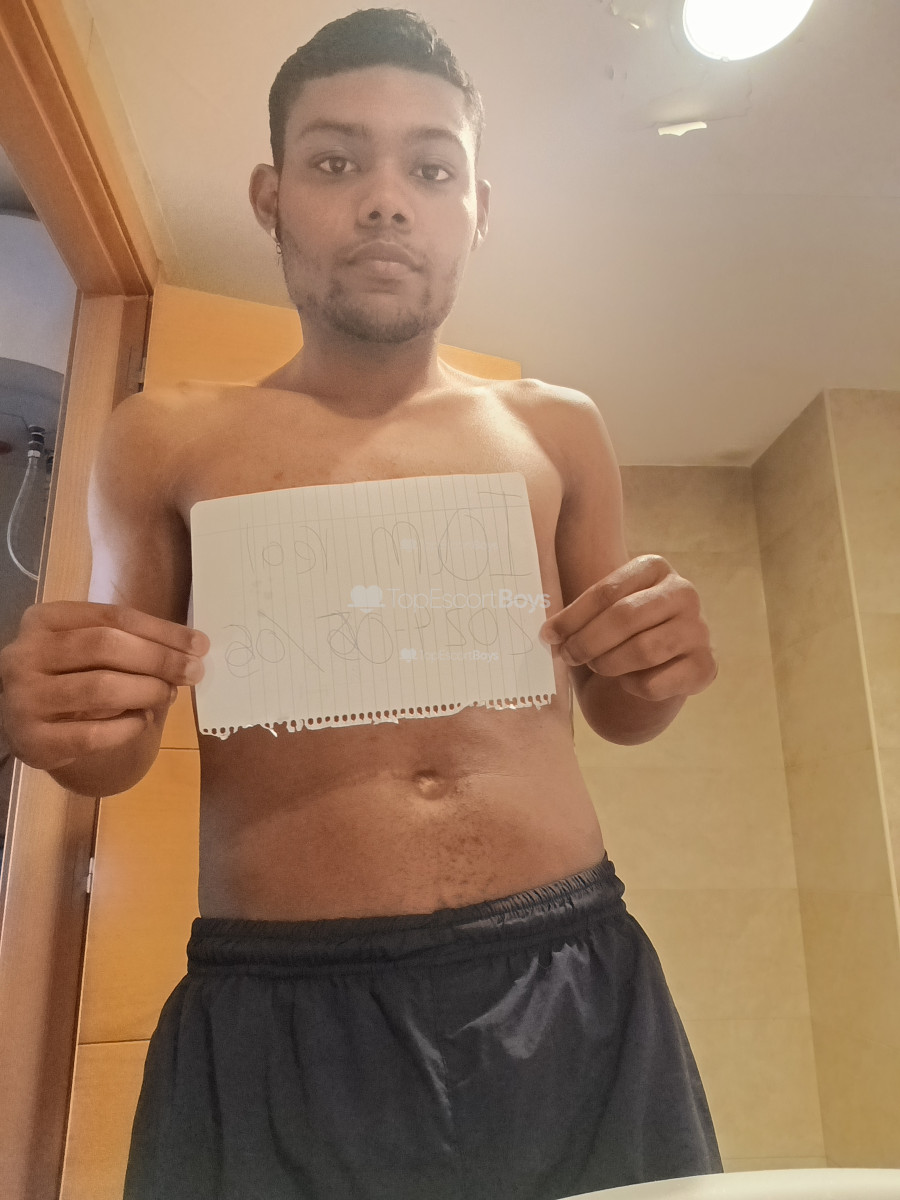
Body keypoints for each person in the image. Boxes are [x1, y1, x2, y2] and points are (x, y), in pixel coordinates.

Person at [0, 9, 723, 1198]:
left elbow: (619, 708)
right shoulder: (164, 438)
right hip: (278, 1003)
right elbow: (112, 745)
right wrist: (62, 715)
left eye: (431, 169)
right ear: (272, 197)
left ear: (477, 208)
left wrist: (658, 667)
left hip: (567, 975)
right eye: (337, 162)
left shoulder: (557, 428)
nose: (386, 201)